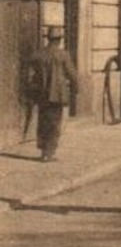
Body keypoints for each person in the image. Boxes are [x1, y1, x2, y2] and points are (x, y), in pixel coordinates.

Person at [27, 26, 78, 162]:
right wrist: (75, 88)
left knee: (43, 122)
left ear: (48, 39)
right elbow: (72, 75)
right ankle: (50, 153)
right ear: (59, 40)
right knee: (54, 124)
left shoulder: (38, 54)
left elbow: (30, 75)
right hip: (57, 95)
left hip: (42, 94)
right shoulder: (63, 55)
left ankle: (43, 151)